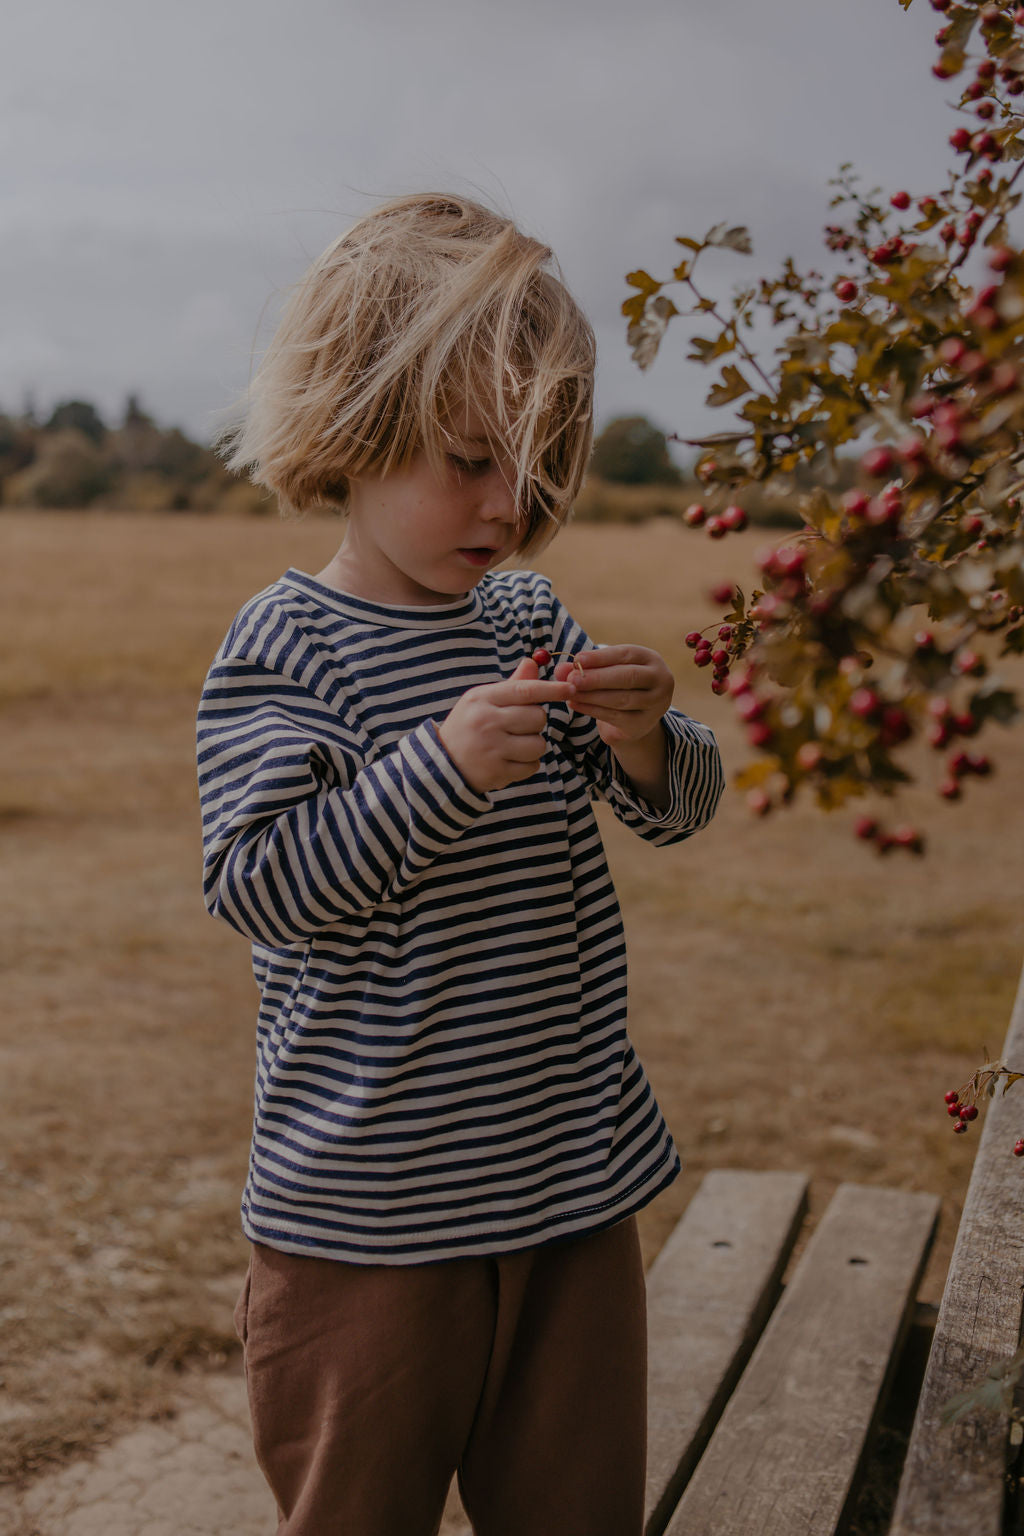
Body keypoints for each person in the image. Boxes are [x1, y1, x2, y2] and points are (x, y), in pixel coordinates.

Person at [197, 192, 724, 1536]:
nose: (513, 506)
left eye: (545, 469)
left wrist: (649, 737)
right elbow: (260, 884)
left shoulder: (528, 614)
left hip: (567, 1193)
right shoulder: (287, 645)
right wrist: (433, 773)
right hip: (364, 1230)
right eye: (472, 461)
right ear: (352, 429)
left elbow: (669, 813)